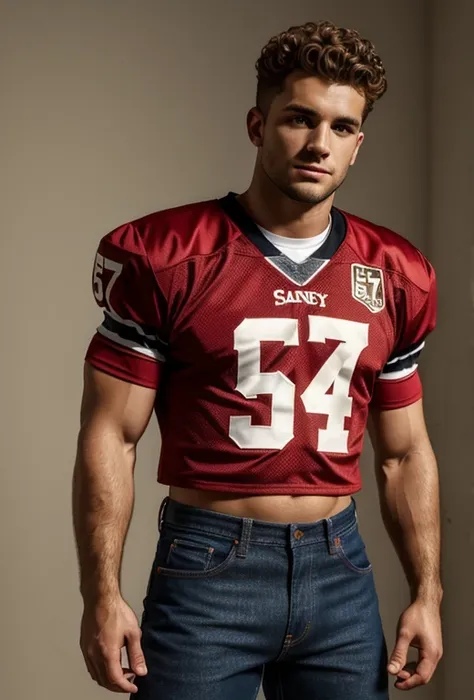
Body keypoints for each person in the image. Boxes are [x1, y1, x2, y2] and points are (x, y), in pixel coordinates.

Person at [73, 20, 443, 700]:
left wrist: (427, 592)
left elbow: (405, 452)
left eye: (340, 127)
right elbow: (111, 434)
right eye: (300, 119)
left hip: (341, 569)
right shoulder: (168, 255)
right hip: (209, 565)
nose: (318, 144)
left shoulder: (395, 273)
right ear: (257, 124)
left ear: (358, 145)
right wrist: (102, 595)